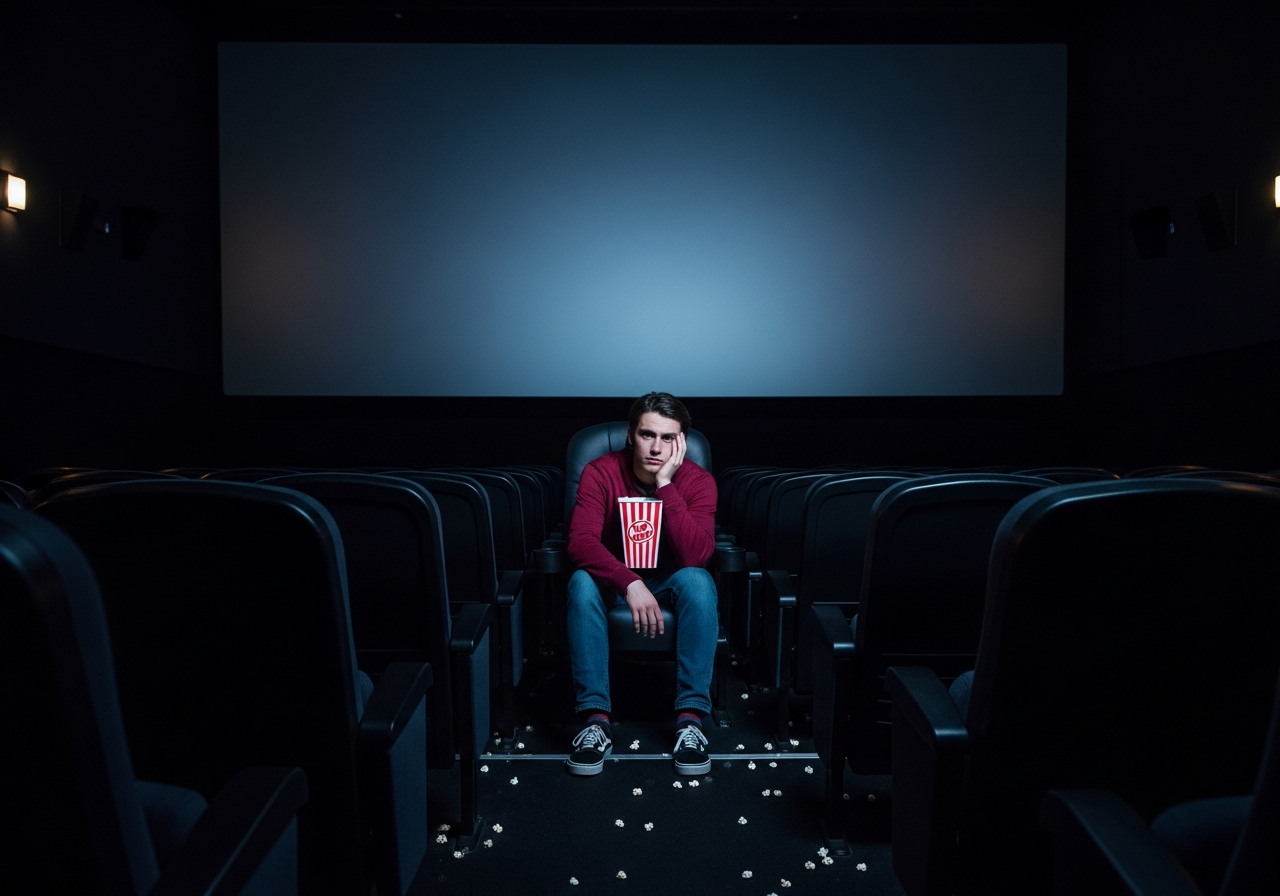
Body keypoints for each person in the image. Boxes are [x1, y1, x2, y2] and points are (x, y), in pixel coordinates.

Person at [564, 392, 719, 777]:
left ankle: (690, 722)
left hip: (671, 578)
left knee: (699, 581)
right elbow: (581, 542)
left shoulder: (698, 482)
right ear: (631, 435)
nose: (656, 447)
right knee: (582, 582)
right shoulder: (601, 471)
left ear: (682, 441)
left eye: (668, 438)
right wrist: (628, 581)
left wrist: (666, 486)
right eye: (648, 435)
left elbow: (696, 555)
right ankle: (595, 721)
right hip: (614, 578)